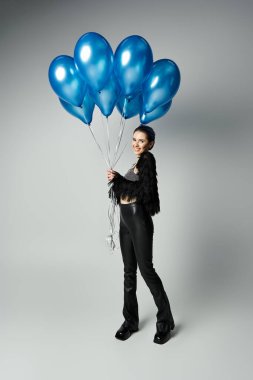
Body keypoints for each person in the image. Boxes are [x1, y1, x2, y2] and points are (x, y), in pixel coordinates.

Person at [106, 124, 175, 344]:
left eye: (141, 141)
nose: (136, 144)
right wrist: (117, 180)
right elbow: (125, 190)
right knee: (128, 272)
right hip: (125, 220)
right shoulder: (136, 162)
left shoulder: (147, 160)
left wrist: (119, 180)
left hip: (138, 220)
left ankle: (165, 322)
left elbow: (144, 192)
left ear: (150, 144)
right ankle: (130, 321)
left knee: (146, 271)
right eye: (134, 139)